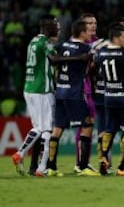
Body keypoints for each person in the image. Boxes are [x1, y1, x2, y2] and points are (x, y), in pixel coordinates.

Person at [47, 19, 99, 177]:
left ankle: (51, 167)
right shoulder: (85, 48)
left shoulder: (62, 46)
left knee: (57, 129)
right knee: (87, 125)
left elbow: (53, 59)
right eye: (87, 30)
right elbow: (91, 69)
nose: (90, 32)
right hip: (76, 92)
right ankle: (83, 166)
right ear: (82, 32)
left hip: (61, 92)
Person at [12, 15, 59, 176]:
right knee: (45, 128)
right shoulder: (45, 41)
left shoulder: (32, 41)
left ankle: (38, 166)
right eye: (55, 26)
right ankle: (27, 158)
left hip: (29, 88)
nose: (57, 29)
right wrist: (76, 58)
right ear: (47, 28)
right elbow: (54, 58)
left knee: (39, 127)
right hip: (41, 90)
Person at [95, 23, 124, 176]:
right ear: (115, 38)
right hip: (123, 97)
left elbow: (98, 70)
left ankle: (103, 158)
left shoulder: (101, 52)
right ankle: (121, 167)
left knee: (110, 129)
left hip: (108, 96)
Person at [73, 13, 99, 173]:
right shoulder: (76, 43)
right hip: (80, 89)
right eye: (89, 23)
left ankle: (84, 162)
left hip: (95, 88)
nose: (93, 25)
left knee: (89, 125)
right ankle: (79, 163)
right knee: (83, 125)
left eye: (95, 22)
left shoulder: (97, 42)